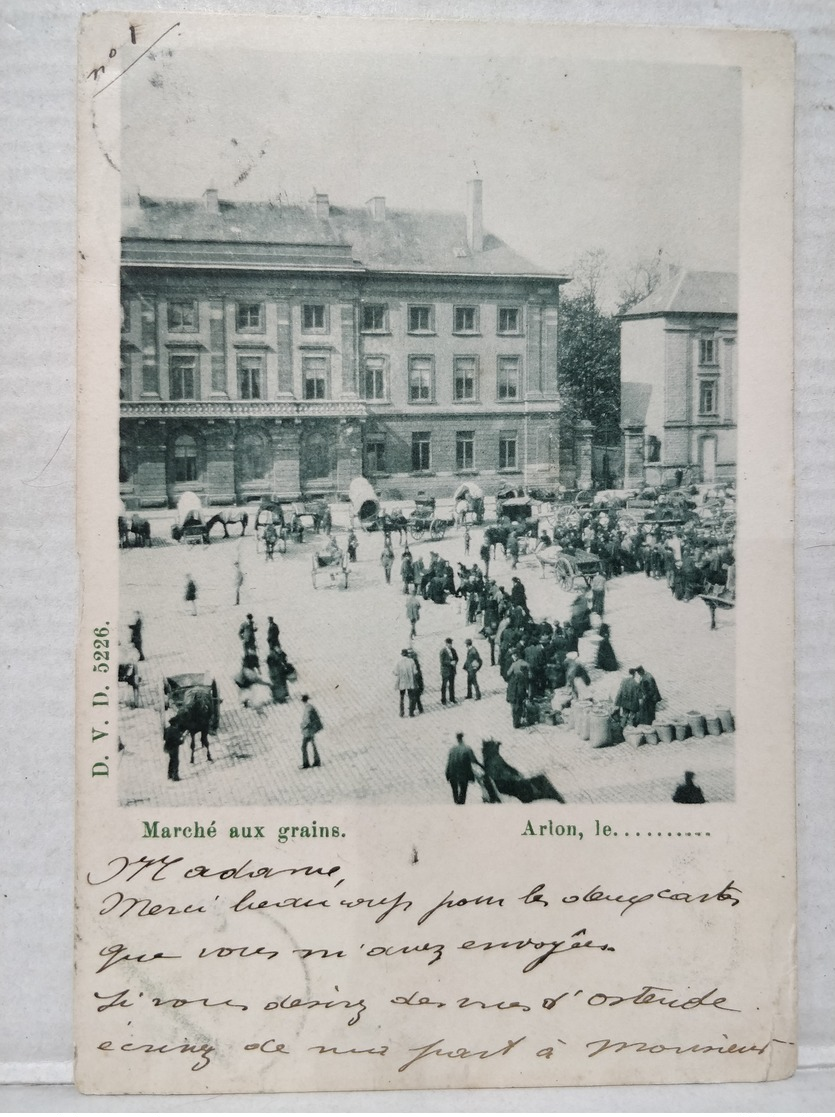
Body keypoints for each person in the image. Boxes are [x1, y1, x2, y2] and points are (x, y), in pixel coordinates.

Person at [445, 732, 482, 805]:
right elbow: (474, 760)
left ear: (457, 739)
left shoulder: (452, 749)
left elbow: (449, 762)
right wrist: (482, 766)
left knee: (455, 793)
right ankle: (461, 807)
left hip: (452, 773)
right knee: (463, 792)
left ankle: (456, 805)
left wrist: (447, 773)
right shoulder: (467, 749)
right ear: (463, 738)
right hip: (463, 773)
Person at [506, 651, 530, 728]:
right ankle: (520, 719)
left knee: (514, 706)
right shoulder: (526, 664)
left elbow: (508, 673)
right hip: (523, 686)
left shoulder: (514, 664)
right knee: (520, 704)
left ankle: (516, 722)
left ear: (516, 656)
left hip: (513, 687)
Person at [300, 694, 323, 769]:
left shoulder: (308, 708)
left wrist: (303, 726)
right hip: (311, 729)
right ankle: (316, 761)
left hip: (309, 730)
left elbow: (307, 720)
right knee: (313, 745)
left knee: (304, 747)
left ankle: (306, 763)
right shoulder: (310, 707)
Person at [394, 648, 419, 717]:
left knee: (402, 698)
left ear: (402, 654)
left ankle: (401, 713)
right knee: (411, 697)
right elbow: (415, 672)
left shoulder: (398, 662)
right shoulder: (411, 661)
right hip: (410, 682)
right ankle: (411, 713)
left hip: (402, 682)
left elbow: (395, 672)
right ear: (407, 654)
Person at [163, 715, 183, 781]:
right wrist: (181, 741)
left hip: (168, 747)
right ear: (175, 723)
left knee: (171, 760)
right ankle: (175, 776)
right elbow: (176, 740)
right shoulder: (174, 730)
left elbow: (164, 737)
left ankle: (170, 774)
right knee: (176, 761)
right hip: (174, 748)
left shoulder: (168, 729)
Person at [440, 637, 459, 705]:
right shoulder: (443, 651)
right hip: (445, 671)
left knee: (452, 685)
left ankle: (452, 698)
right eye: (449, 644)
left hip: (452, 670)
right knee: (444, 686)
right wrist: (450, 662)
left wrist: (455, 662)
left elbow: (457, 658)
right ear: (446, 644)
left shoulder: (453, 650)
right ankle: (443, 699)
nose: (450, 645)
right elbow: (442, 661)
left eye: (451, 643)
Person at [407, 648, 425, 713]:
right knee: (416, 696)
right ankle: (419, 709)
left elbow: (418, 673)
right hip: (415, 682)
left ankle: (413, 710)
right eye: (409, 654)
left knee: (413, 696)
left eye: (410, 654)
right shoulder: (414, 661)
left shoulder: (413, 662)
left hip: (415, 682)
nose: (409, 655)